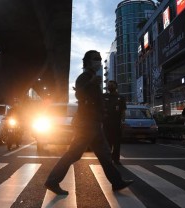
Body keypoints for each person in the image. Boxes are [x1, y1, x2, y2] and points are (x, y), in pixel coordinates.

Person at [44, 50, 133, 195]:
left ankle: (117, 182)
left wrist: (102, 112)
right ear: (88, 62)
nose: (98, 61)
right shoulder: (85, 77)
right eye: (95, 59)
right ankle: (52, 181)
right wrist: (90, 84)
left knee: (104, 154)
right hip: (87, 124)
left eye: (99, 58)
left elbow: (95, 101)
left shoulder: (93, 77)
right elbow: (79, 95)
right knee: (74, 154)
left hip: (94, 124)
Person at [103, 80, 126, 165]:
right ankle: (108, 159)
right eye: (109, 85)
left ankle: (116, 159)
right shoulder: (104, 96)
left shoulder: (121, 98)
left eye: (112, 85)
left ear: (116, 86)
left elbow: (123, 111)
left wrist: (123, 122)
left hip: (116, 124)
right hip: (105, 124)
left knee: (116, 143)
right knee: (107, 143)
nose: (110, 87)